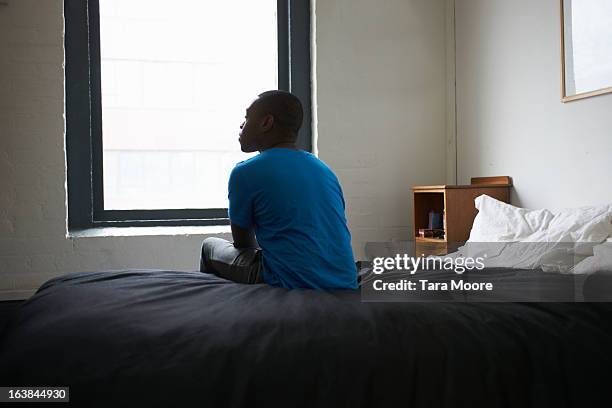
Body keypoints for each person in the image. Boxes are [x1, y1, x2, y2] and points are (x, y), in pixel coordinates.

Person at [200, 90, 357, 290]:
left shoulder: (246, 171)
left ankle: (216, 307)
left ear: (266, 123)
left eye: (247, 117)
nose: (242, 125)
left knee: (209, 246)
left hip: (288, 281)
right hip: (345, 282)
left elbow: (243, 243)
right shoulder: (323, 170)